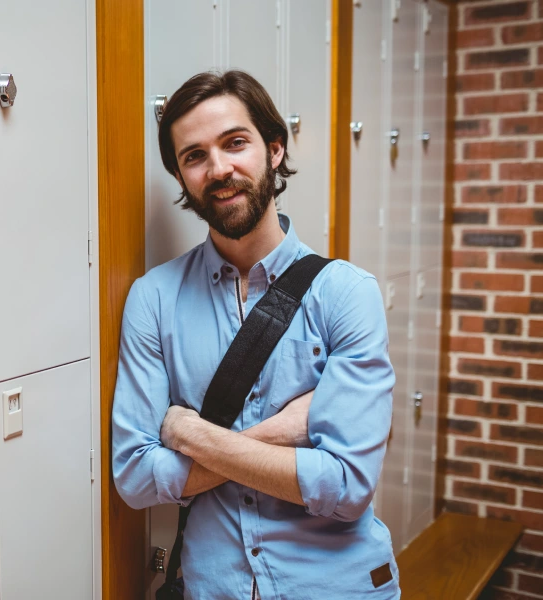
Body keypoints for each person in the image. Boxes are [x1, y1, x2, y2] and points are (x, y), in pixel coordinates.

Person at [111, 70, 399, 600]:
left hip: (336, 586)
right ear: (180, 177)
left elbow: (349, 486)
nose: (218, 168)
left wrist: (190, 434)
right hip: (213, 587)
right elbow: (134, 476)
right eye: (194, 156)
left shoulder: (346, 293)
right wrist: (283, 431)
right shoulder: (154, 299)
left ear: (273, 149)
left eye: (234, 143)